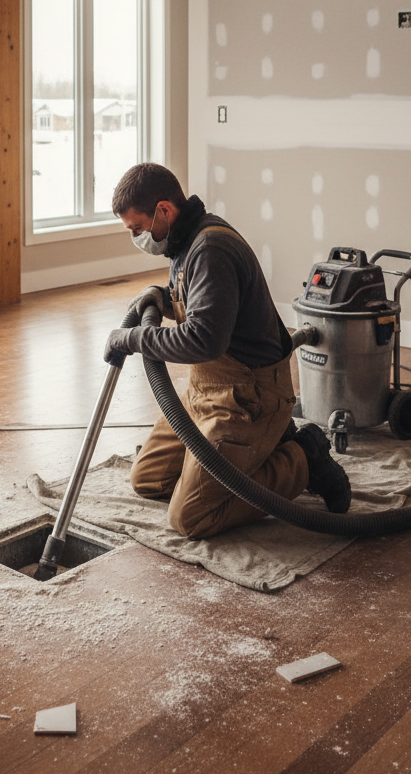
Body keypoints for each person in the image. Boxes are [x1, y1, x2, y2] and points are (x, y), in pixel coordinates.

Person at [104, 162, 350, 539]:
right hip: (204, 392)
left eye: (139, 228)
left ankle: (302, 458)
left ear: (164, 210)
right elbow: (208, 305)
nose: (139, 237)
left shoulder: (210, 249)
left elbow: (204, 339)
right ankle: (247, 456)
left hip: (249, 398)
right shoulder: (183, 242)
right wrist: (164, 300)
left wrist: (133, 338)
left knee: (190, 518)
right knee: (148, 480)